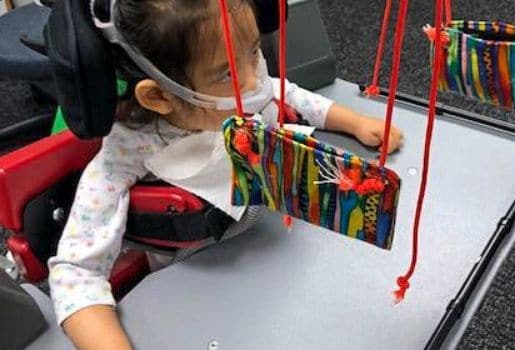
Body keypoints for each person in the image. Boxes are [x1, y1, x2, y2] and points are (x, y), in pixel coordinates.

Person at [47, 0, 404, 348]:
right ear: (158, 97)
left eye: (252, 52)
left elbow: (284, 91)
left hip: (273, 252)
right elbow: (75, 275)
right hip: (201, 286)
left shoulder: (246, 92)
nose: (255, 84)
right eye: (228, 73)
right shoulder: (127, 153)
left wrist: (353, 121)